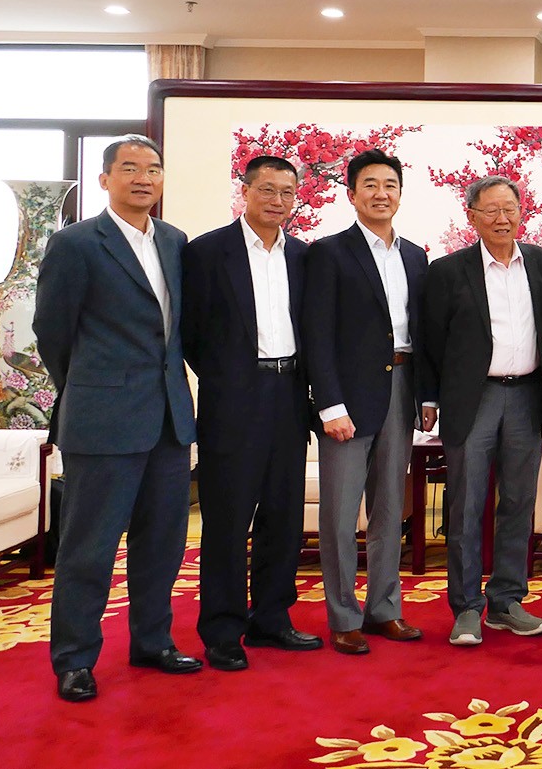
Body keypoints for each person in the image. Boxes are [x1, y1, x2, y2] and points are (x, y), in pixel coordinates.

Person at [34, 134, 200, 702]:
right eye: (129, 168)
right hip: (103, 418)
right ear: (105, 179)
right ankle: (75, 659)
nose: (143, 178)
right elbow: (52, 333)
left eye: (153, 169)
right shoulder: (76, 243)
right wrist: (88, 389)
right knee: (90, 547)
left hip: (169, 420)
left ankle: (151, 642)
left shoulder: (175, 242)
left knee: (163, 543)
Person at [182, 154, 321, 672]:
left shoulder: (303, 256)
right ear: (246, 190)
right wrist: (227, 376)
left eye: (287, 192)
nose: (277, 201)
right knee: (227, 518)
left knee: (283, 515)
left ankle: (272, 619)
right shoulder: (207, 252)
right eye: (267, 190)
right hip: (233, 399)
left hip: (290, 396)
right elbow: (191, 332)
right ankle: (222, 629)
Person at [418, 176, 542, 647]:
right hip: (471, 399)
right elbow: (430, 342)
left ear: (522, 211)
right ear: (471, 216)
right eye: (490, 210)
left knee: (518, 502)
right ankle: (467, 608)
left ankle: (506, 600)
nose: (501, 218)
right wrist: (428, 399)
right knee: (467, 504)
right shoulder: (448, 271)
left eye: (509, 209)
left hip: (525, 397)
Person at [302, 148, 428, 654]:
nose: (382, 193)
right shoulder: (328, 252)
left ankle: (384, 609)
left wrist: (427, 395)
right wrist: (329, 404)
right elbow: (317, 333)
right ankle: (343, 616)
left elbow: (423, 332)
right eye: (370, 185)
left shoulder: (416, 254)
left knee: (390, 508)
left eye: (390, 185)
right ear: (351, 194)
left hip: (401, 386)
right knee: (339, 512)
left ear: (400, 193)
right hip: (347, 399)